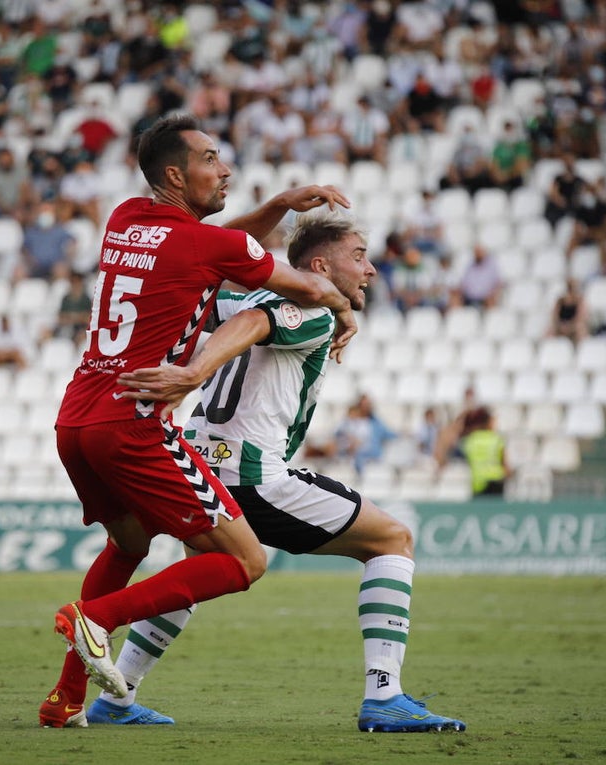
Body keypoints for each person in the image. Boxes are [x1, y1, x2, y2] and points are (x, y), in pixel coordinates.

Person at [38, 113, 358, 729]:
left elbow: (212, 242)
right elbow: (310, 291)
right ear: (177, 174)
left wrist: (276, 206)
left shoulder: (126, 219)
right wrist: (345, 306)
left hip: (76, 421)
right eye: (212, 159)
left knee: (129, 542)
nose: (226, 168)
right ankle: (95, 620)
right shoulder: (212, 245)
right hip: (136, 423)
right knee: (244, 563)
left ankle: (66, 699)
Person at [96, 211, 465, 733]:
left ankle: (118, 696)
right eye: (358, 257)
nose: (370, 270)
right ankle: (385, 694)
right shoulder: (310, 312)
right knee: (392, 540)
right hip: (253, 473)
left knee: (197, 573)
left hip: (200, 461)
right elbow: (260, 323)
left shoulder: (238, 297)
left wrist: (280, 204)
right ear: (319, 266)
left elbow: (220, 281)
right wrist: (192, 373)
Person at [457, 406, 510, 496]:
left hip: (478, 482)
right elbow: (505, 465)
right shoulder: (497, 439)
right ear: (488, 422)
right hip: (496, 481)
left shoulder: (470, 440)